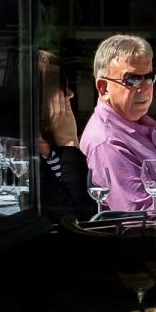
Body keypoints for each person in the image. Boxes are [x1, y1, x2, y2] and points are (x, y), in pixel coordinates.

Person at [78, 34, 156, 212]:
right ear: (103, 88)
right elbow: (137, 219)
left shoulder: (133, 124)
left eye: (149, 77)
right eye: (132, 79)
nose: (145, 87)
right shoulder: (108, 142)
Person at [35, 50, 95, 221]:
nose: (70, 93)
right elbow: (78, 217)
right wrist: (69, 142)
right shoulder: (28, 150)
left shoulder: (50, 143)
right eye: (60, 88)